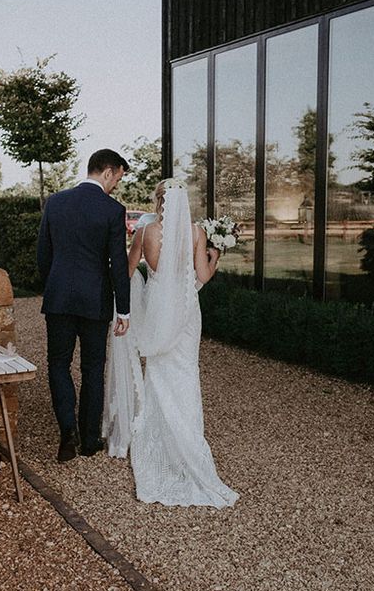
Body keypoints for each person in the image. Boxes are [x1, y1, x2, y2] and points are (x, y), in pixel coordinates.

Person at [103, 178, 239, 508]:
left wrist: (129, 293)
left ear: (158, 200)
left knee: (159, 370)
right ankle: (187, 438)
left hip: (157, 308)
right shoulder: (195, 233)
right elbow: (203, 276)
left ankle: (160, 432)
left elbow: (128, 268)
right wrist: (215, 254)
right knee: (185, 373)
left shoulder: (146, 232)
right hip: (187, 312)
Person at [37, 149, 131, 462]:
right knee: (93, 368)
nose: (116, 184)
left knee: (58, 364)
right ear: (108, 172)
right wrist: (124, 310)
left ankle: (67, 432)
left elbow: (43, 256)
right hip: (95, 300)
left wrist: (53, 287)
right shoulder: (113, 210)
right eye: (117, 178)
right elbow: (118, 264)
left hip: (59, 298)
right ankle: (90, 439)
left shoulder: (56, 202)